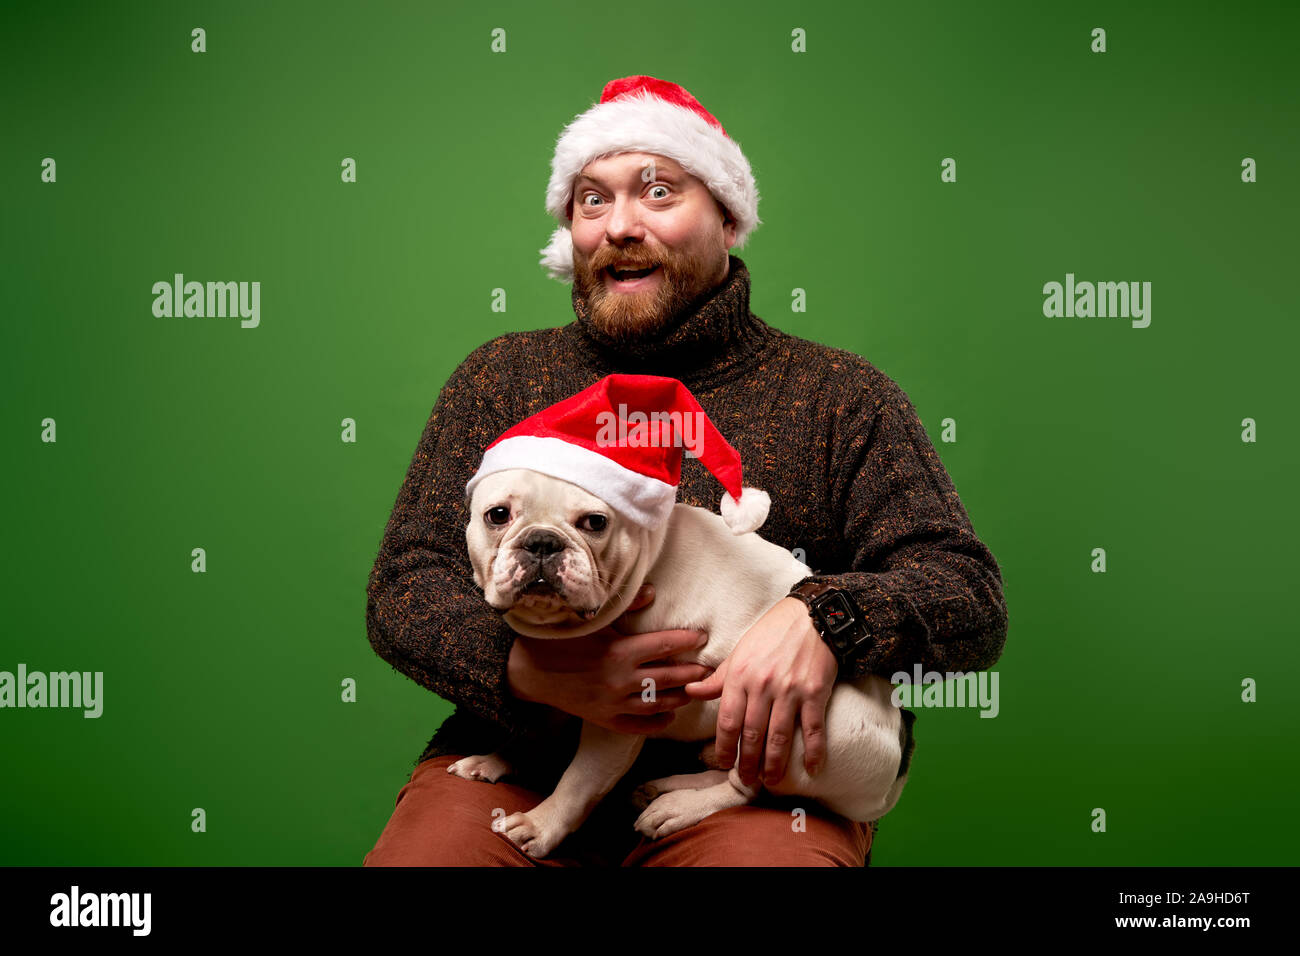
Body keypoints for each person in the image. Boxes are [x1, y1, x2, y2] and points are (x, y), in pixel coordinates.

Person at [362, 75, 1008, 866]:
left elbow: (968, 598)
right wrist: (526, 671)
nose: (621, 225)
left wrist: (824, 617)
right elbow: (404, 582)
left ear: (729, 219)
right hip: (524, 755)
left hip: (757, 774)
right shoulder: (500, 378)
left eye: (659, 191)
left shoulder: (841, 397)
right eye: (592, 201)